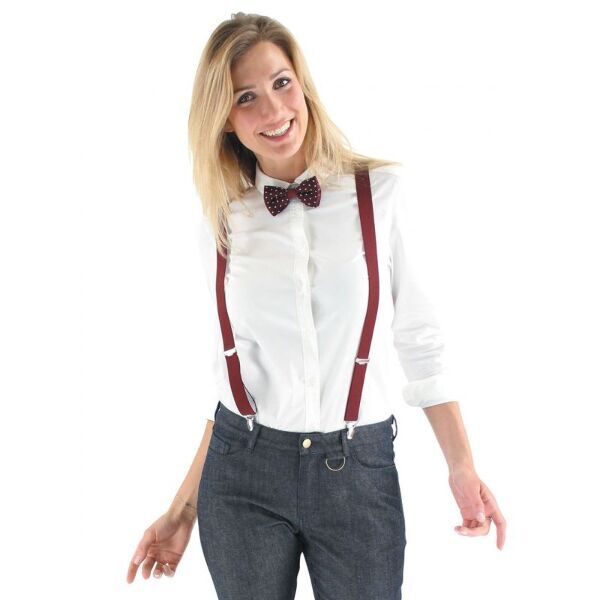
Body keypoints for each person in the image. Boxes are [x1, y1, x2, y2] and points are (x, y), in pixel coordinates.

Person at [126, 11, 506, 598]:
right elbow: (234, 381)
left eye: (281, 83)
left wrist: (461, 466)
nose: (274, 110)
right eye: (246, 97)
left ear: (303, 84)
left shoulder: (380, 195)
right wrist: (183, 509)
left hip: (358, 470)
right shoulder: (224, 221)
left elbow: (420, 340)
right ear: (223, 119)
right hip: (242, 474)